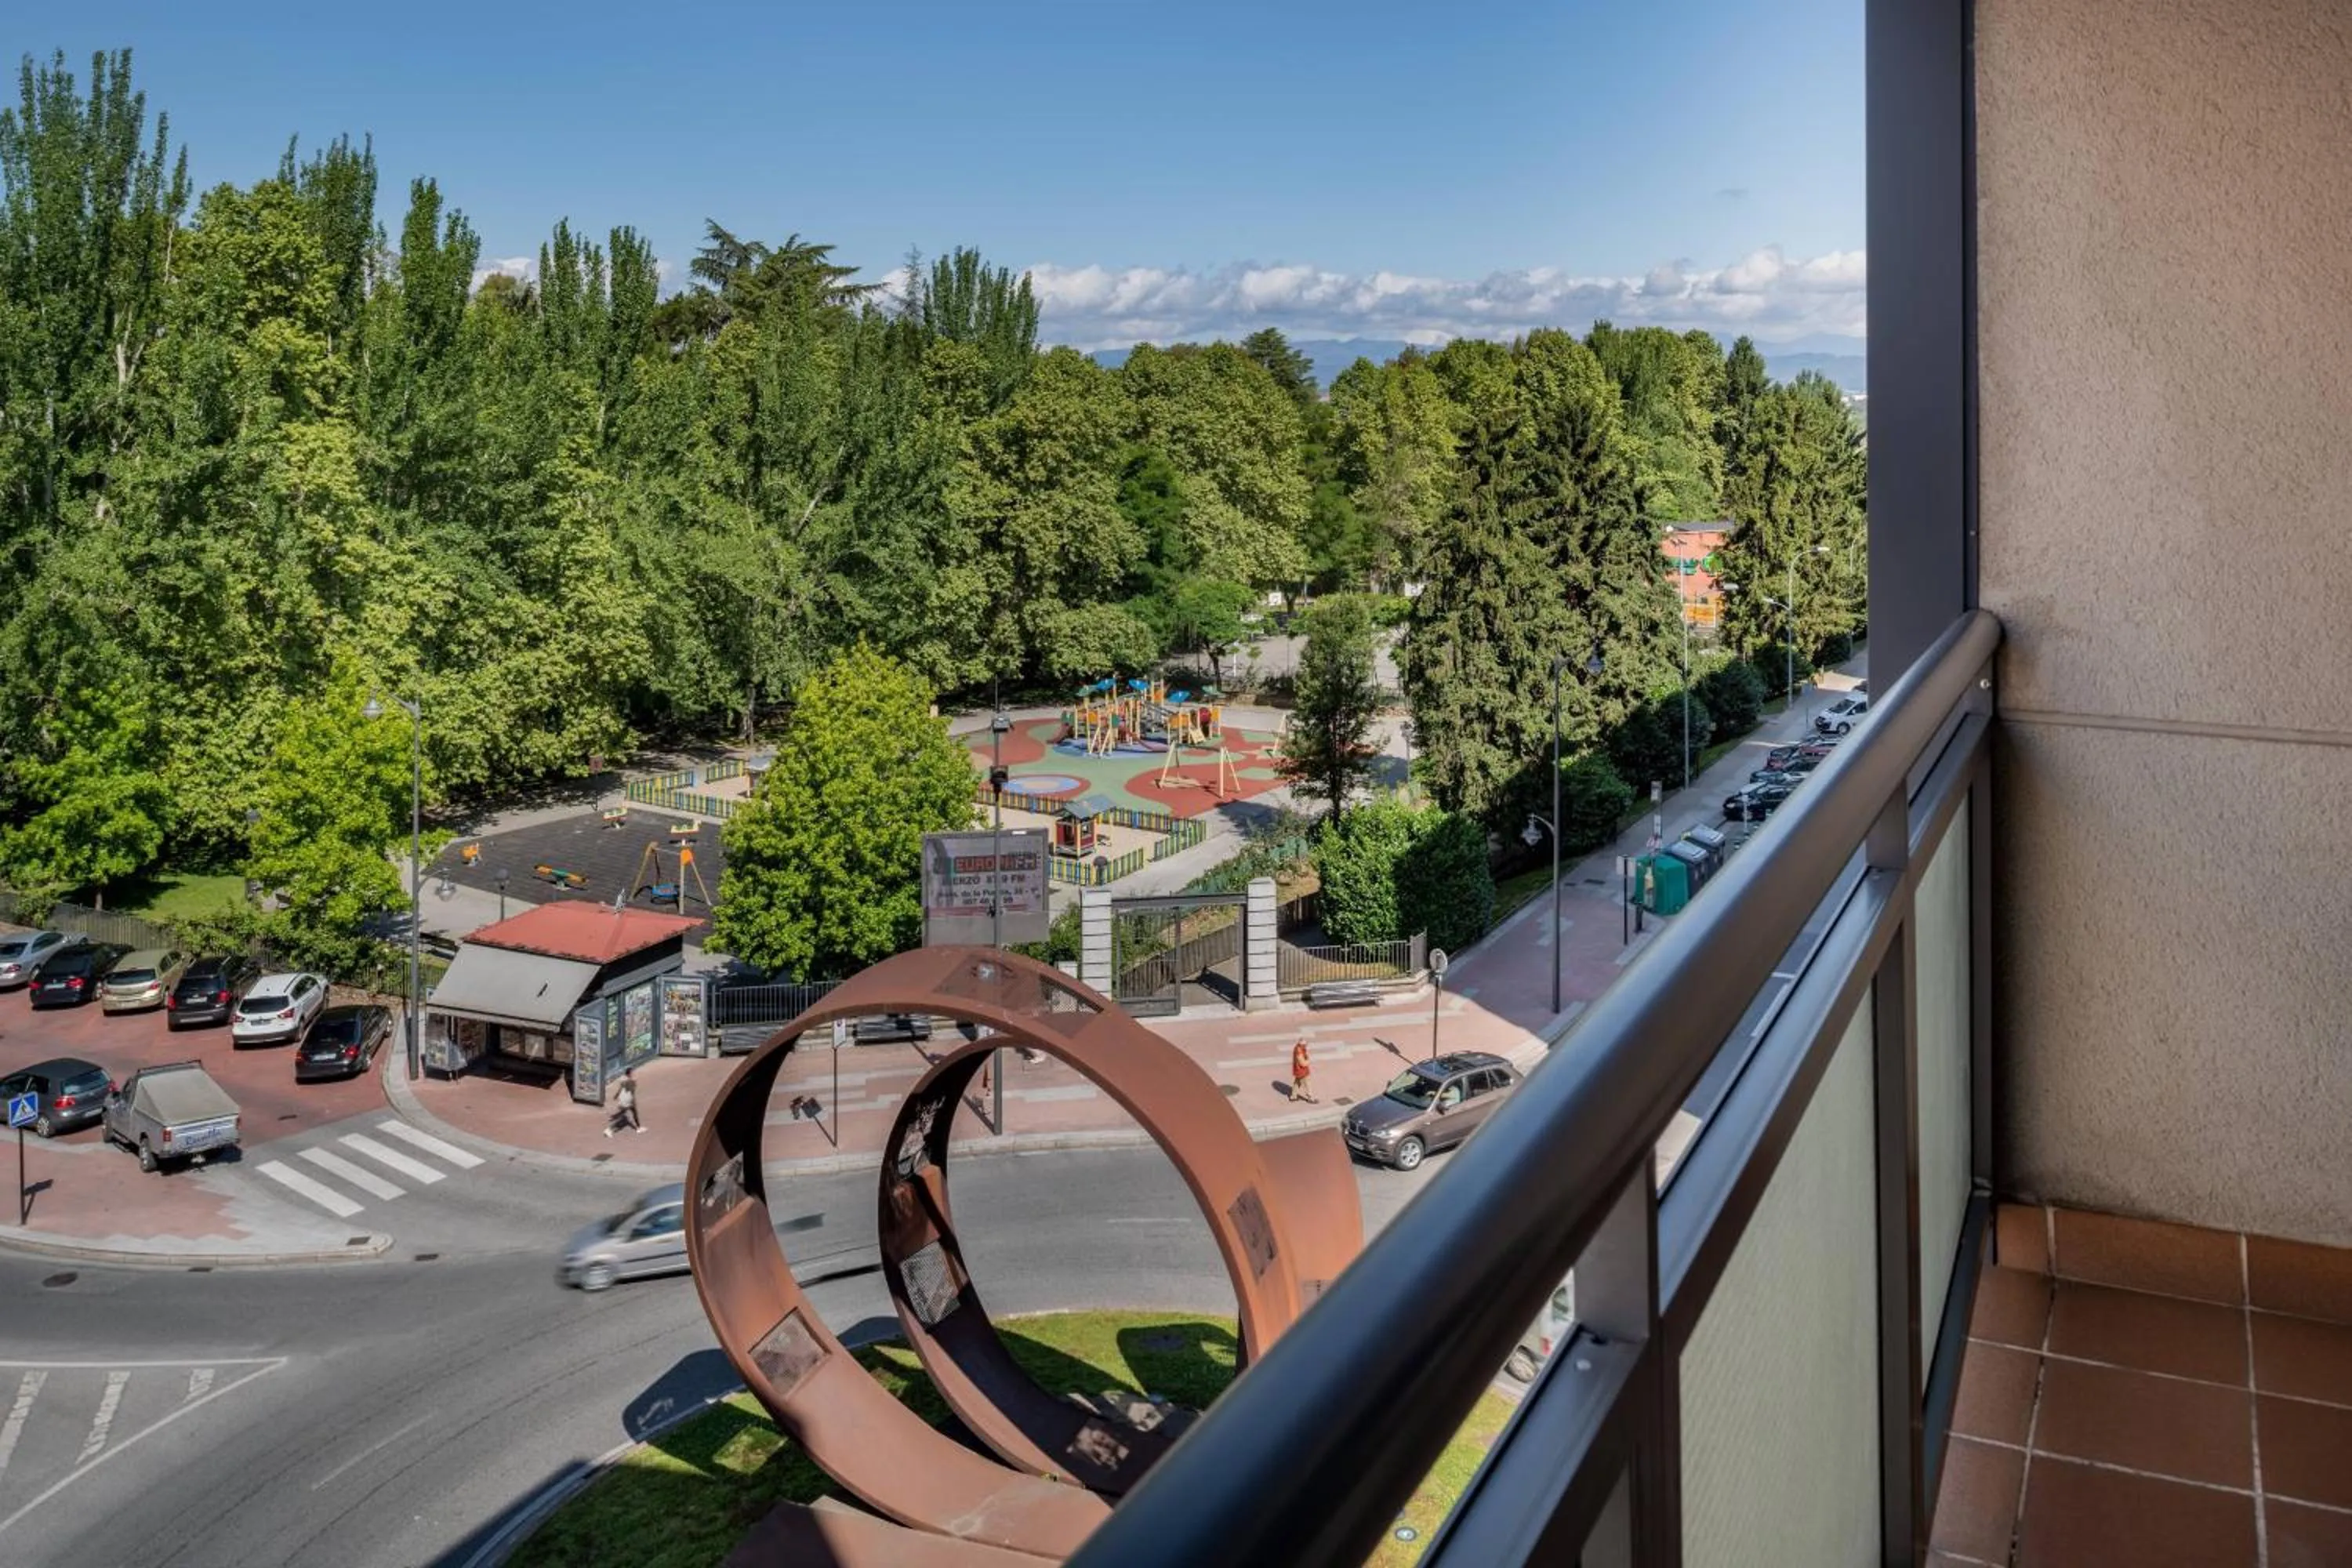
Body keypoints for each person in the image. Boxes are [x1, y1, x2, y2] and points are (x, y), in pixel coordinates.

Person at [606, 1069, 641, 1137]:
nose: (633, 1073)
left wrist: (616, 1096)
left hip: (628, 1101)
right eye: (632, 1072)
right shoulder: (629, 1081)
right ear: (629, 1073)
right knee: (628, 1114)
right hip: (628, 1101)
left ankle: (639, 1128)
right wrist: (634, 1083)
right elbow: (631, 1091)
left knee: (634, 1113)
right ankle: (609, 1130)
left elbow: (621, 1089)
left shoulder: (625, 1080)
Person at [1290, 1038, 1315, 1104]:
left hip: (1298, 1070)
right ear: (1302, 1045)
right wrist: (1309, 1061)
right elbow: (1303, 1063)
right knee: (1307, 1084)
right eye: (1305, 1045)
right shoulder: (1299, 1052)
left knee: (1297, 1083)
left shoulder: (1298, 1048)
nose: (1306, 1046)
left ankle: (1293, 1096)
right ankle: (1311, 1098)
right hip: (1302, 1071)